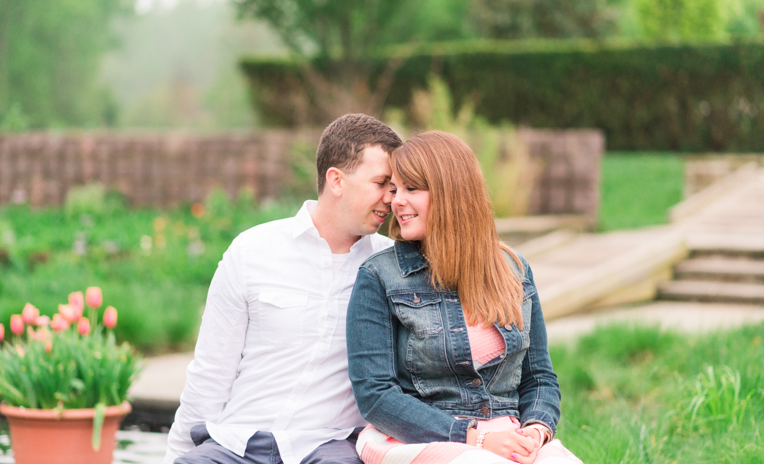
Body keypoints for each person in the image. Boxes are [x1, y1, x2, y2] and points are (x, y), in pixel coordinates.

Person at [164, 114, 403, 464]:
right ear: (336, 180)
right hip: (237, 443)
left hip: (330, 446)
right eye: (381, 183)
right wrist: (176, 456)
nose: (391, 199)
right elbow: (210, 374)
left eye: (394, 187)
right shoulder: (252, 251)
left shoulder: (391, 267)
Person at [346, 131, 582, 464]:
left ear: (452, 193)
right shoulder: (379, 277)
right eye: (395, 189)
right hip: (416, 437)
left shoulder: (514, 270)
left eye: (412, 189)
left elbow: (538, 377)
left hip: (506, 430)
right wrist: (475, 438)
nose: (396, 201)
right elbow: (376, 395)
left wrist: (536, 427)